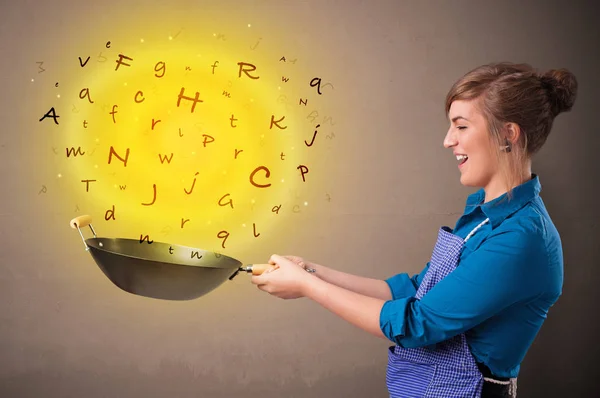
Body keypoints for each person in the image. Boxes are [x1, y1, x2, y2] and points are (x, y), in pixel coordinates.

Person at [251, 62, 578, 398]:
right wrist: (312, 271)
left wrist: (306, 286)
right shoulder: (482, 214)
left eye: (461, 126)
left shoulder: (520, 238)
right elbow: (412, 290)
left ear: (508, 134)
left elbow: (416, 323)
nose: (448, 140)